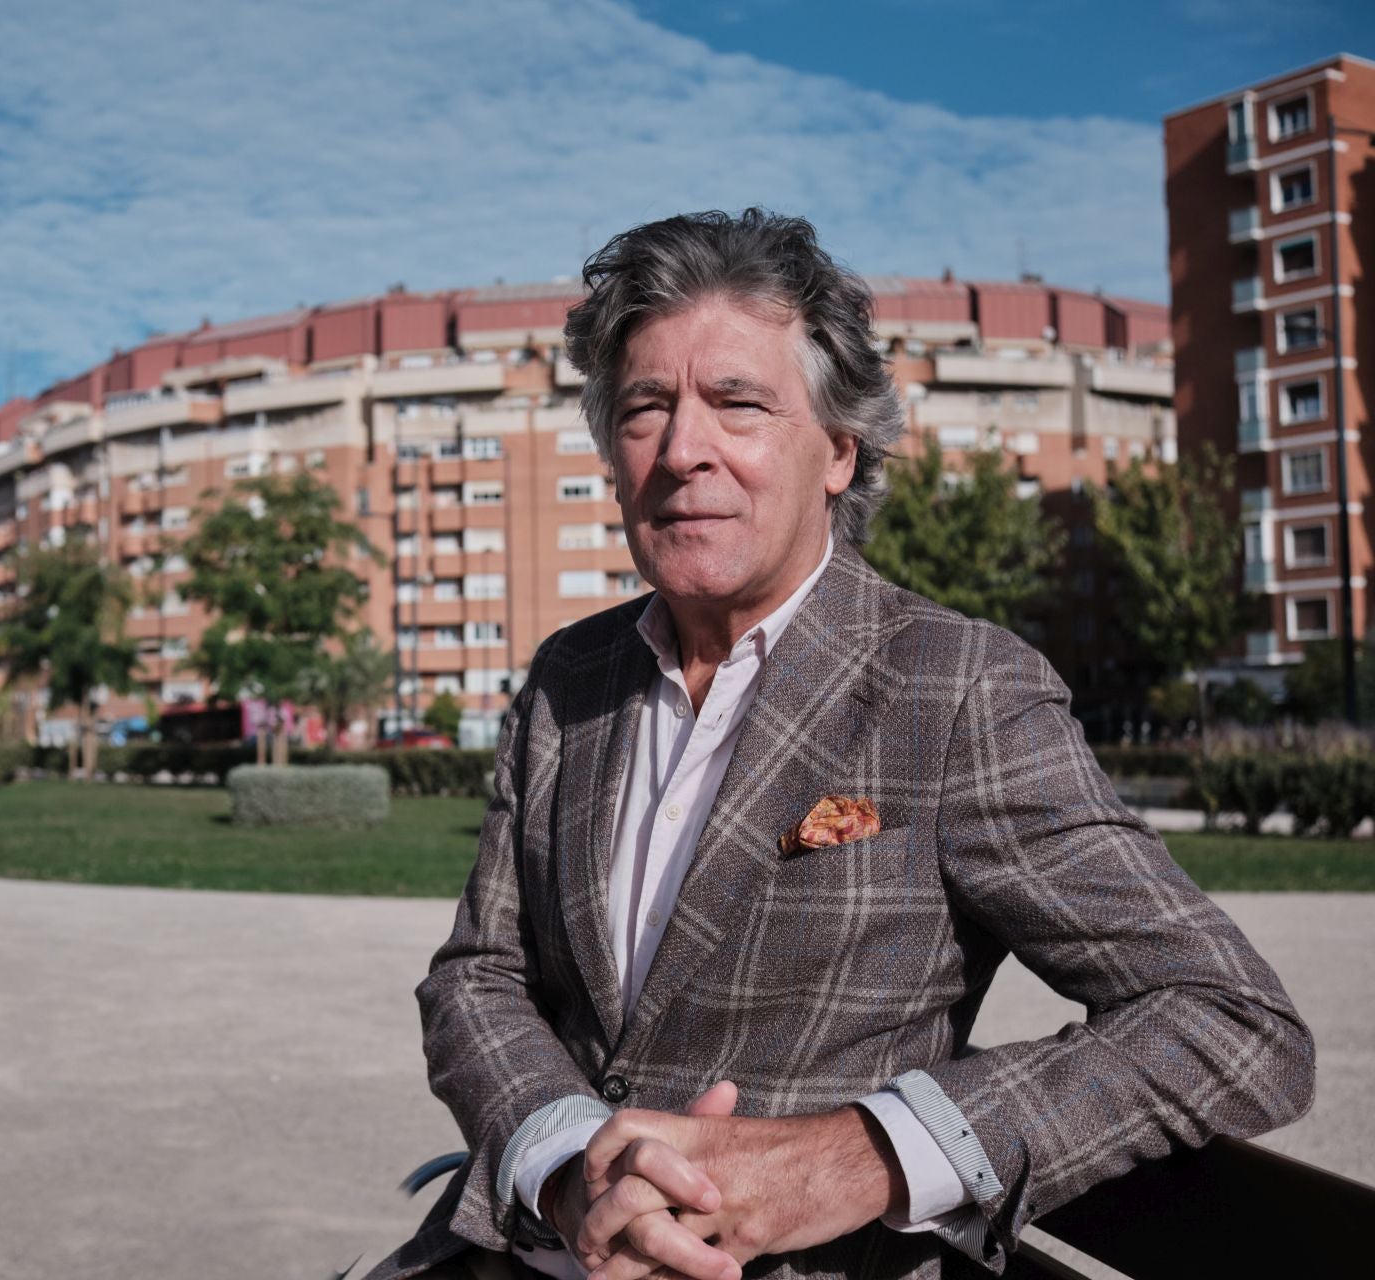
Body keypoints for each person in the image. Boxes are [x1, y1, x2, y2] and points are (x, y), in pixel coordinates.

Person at [365, 209, 1313, 1280]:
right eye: (644, 408)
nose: (683, 450)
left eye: (738, 403)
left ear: (838, 451)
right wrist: (564, 1154)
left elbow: (1232, 1020)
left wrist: (862, 1154)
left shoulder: (955, 689)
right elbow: (478, 977)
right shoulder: (566, 680)